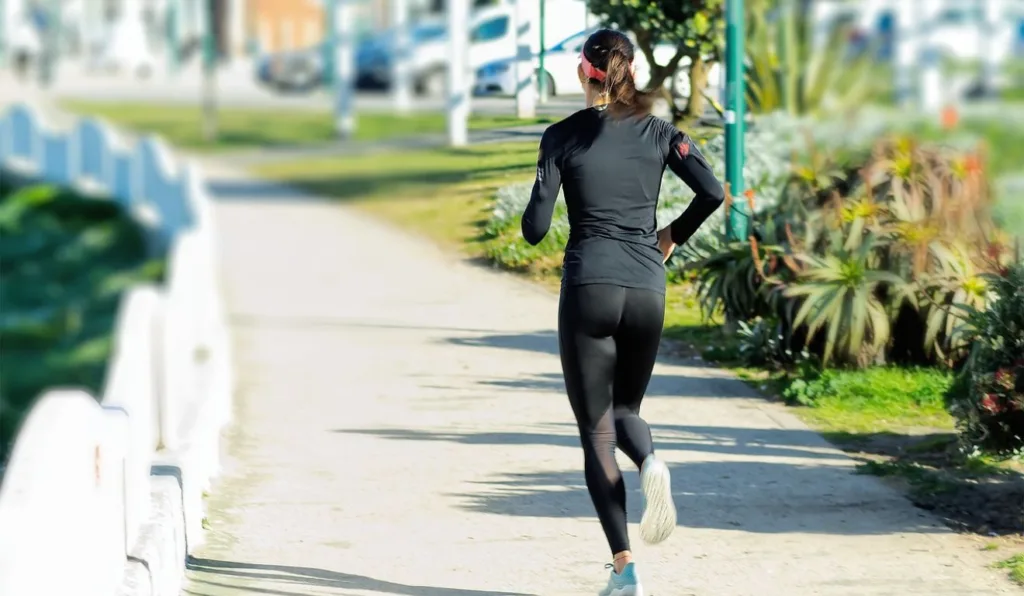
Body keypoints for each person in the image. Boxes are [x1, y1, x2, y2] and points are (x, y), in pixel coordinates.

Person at [520, 28, 725, 596]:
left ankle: (624, 569)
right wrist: (672, 236)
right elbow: (712, 191)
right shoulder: (662, 132)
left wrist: (544, 176)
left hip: (590, 286)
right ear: (628, 71)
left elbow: (534, 230)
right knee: (628, 408)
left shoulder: (562, 136)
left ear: (585, 73)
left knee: (596, 431)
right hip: (646, 287)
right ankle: (652, 462)